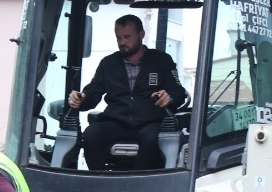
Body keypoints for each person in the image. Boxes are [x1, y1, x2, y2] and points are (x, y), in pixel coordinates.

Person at [67, 14, 188, 170]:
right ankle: (99, 183)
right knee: (91, 134)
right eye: (118, 38)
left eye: (127, 37)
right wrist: (82, 98)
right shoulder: (108, 63)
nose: (122, 42)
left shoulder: (161, 60)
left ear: (141, 34)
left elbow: (177, 91)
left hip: (150, 121)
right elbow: (93, 91)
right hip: (117, 121)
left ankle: (140, 184)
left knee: (151, 137)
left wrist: (169, 98)